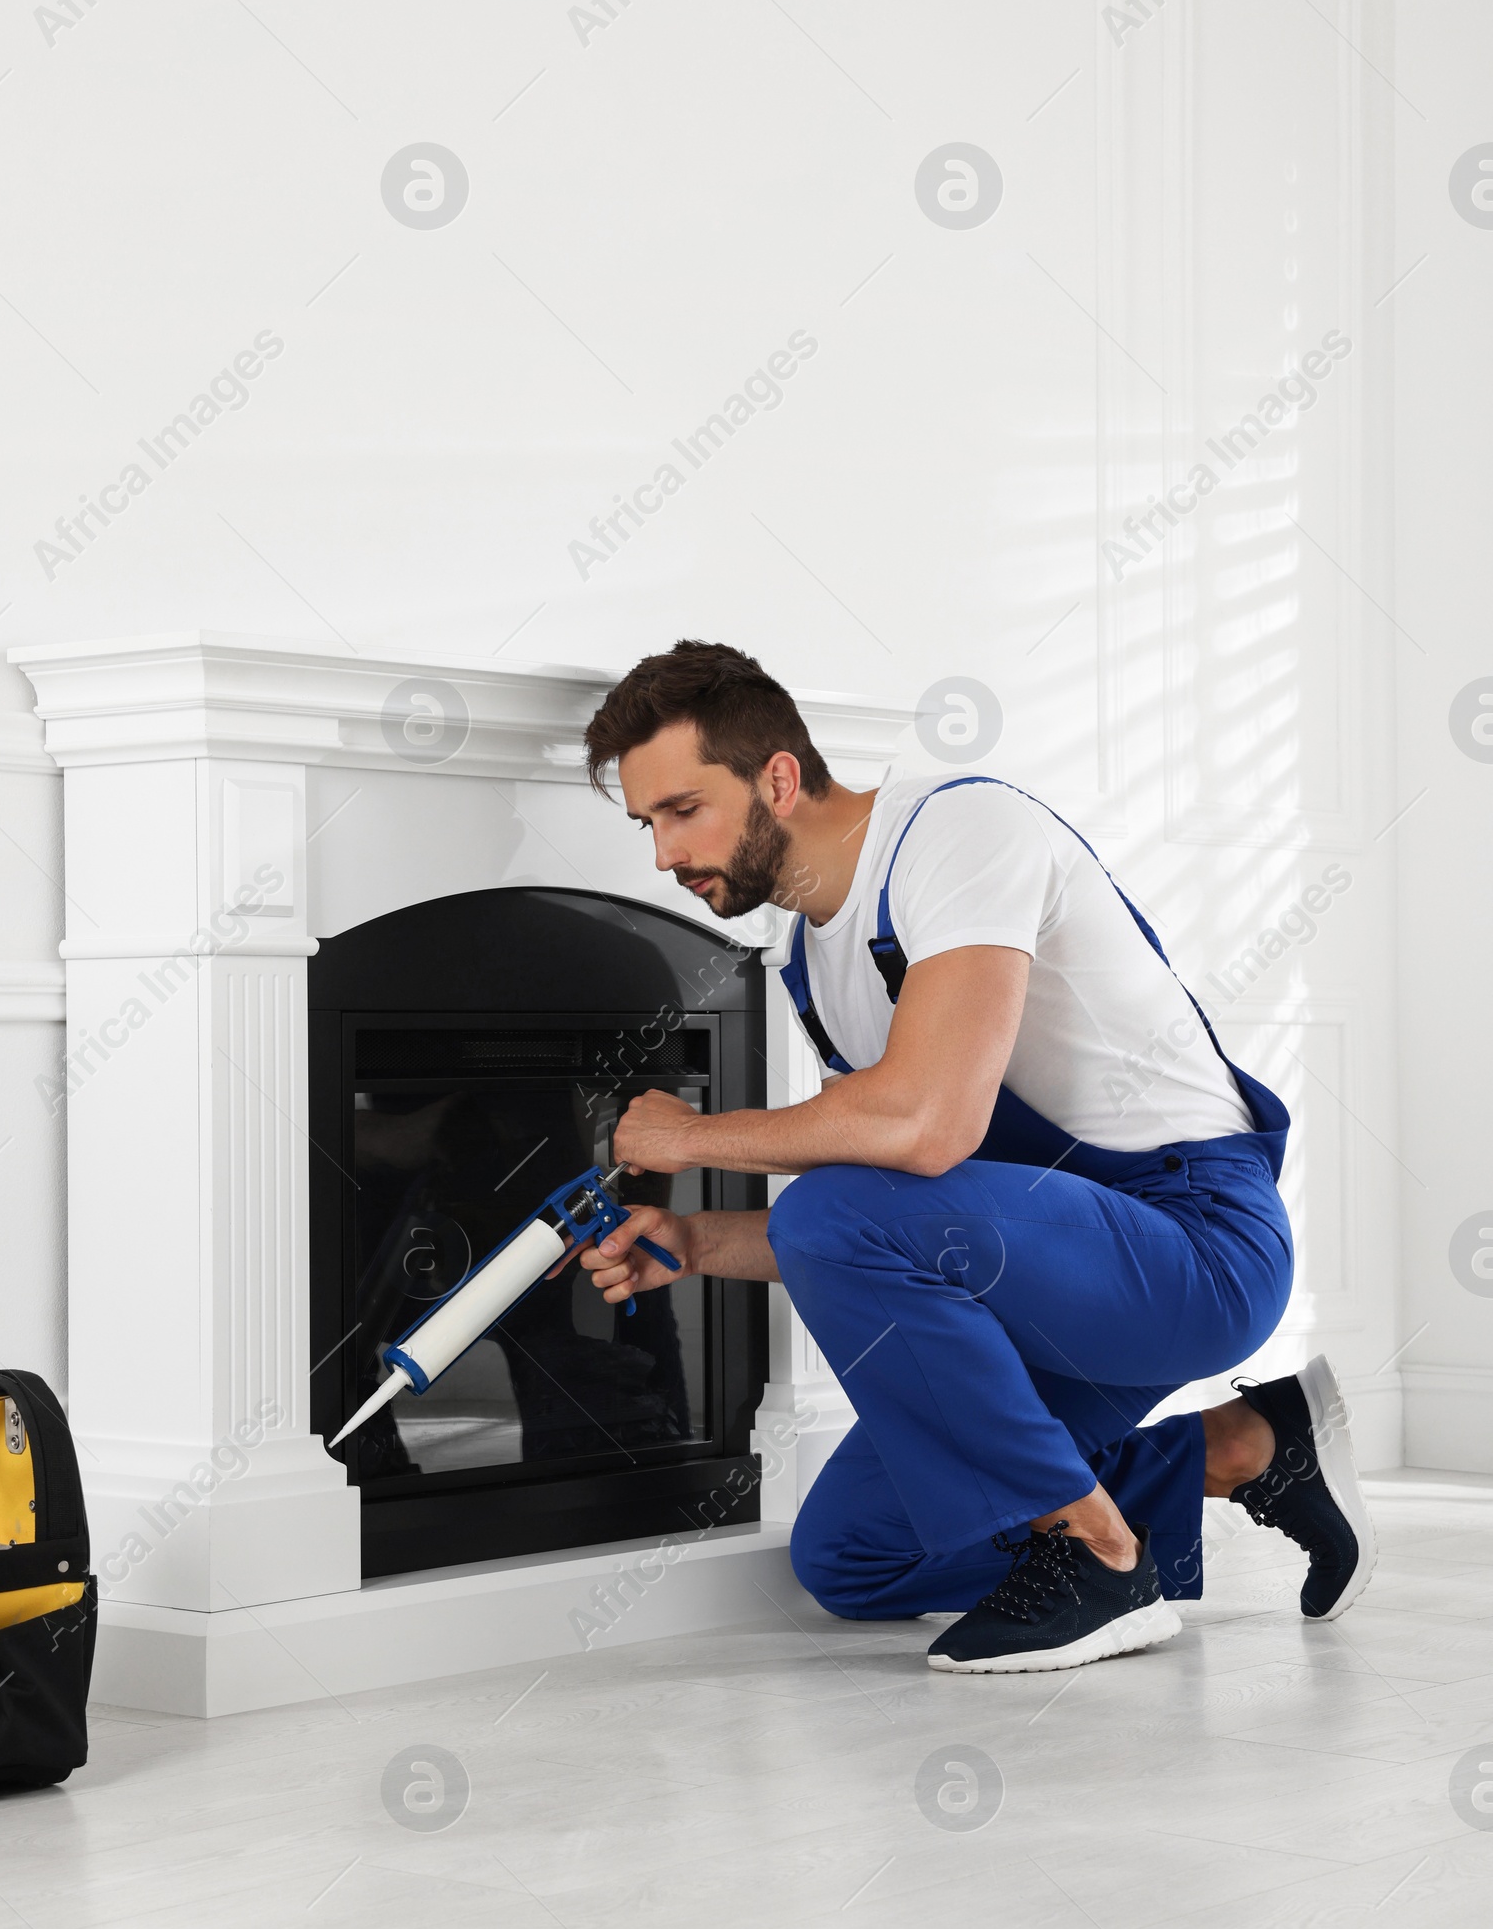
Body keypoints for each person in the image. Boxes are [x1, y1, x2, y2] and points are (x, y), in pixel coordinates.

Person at [576, 640, 1375, 1674]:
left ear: (777, 774)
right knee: (852, 1557)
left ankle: (1099, 1557)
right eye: (647, 823)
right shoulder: (815, 955)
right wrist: (693, 1237)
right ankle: (1249, 1445)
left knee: (834, 1204)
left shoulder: (957, 830)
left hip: (1195, 1243)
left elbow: (928, 1128)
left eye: (682, 808)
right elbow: (901, 1215)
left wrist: (687, 1138)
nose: (661, 854)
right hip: (1053, 1270)